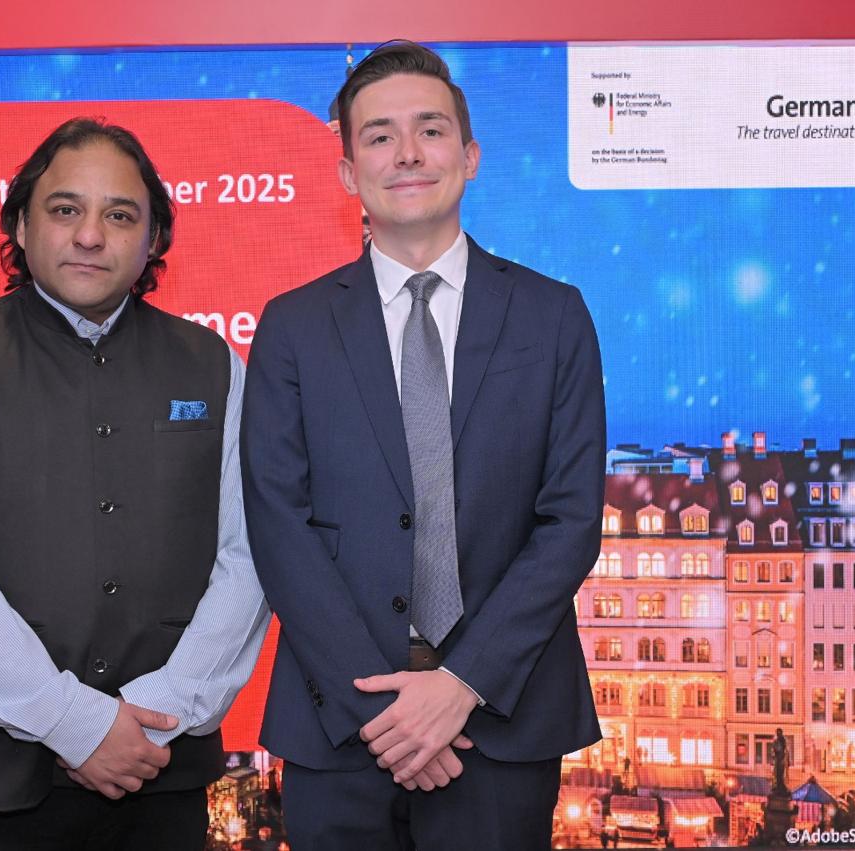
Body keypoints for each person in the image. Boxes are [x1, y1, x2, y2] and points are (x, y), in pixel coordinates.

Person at [242, 41, 605, 850]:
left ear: (470, 156)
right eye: (379, 135)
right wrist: (387, 712)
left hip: (502, 717)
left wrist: (461, 683)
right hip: (340, 722)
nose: (407, 153)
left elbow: (571, 521)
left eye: (430, 130)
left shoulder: (553, 316)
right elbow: (278, 525)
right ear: (348, 172)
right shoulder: (292, 327)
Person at [0, 117, 270, 850]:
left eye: (119, 215)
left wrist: (159, 711)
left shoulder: (215, 365)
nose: (90, 235)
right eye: (65, 209)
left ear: (154, 238)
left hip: (158, 769)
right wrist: (75, 721)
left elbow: (250, 557)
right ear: (20, 226)